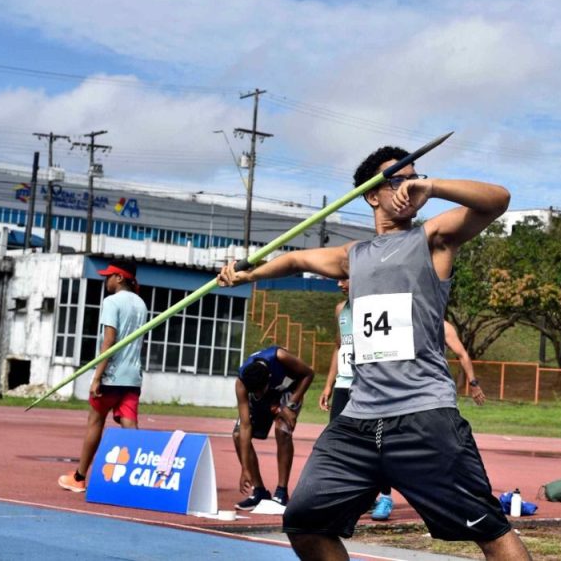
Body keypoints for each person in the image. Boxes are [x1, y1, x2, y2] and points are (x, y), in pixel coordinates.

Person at [219, 145, 530, 561]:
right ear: (371, 195)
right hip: (358, 422)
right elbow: (294, 260)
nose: (410, 185)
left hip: (423, 415)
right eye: (399, 179)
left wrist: (433, 187)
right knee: (304, 522)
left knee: (489, 529)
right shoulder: (353, 257)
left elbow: (498, 200)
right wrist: (247, 274)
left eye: (416, 177)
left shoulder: (432, 238)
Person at [319, 281, 486, 522]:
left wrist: (473, 383)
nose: (339, 283)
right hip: (350, 384)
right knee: (343, 443)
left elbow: (461, 354)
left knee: (420, 446)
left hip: (412, 392)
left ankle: (446, 496)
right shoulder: (343, 310)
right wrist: (329, 384)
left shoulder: (434, 323)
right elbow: (340, 346)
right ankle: (358, 495)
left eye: (344, 278)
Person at [58, 259, 147, 493]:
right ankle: (139, 477)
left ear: (120, 278)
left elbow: (109, 341)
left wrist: (97, 376)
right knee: (130, 424)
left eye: (109, 276)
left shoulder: (112, 302)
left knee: (95, 422)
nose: (106, 280)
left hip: (111, 376)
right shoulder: (141, 304)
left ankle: (79, 477)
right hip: (132, 377)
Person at [233, 345, 314, 510]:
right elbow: (246, 426)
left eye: (259, 391)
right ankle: (259, 491)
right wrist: (245, 468)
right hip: (264, 395)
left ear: (269, 377)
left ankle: (281, 492)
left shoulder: (280, 357)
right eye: (254, 392)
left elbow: (309, 374)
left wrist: (290, 405)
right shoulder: (242, 383)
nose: (257, 395)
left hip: (288, 391)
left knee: (282, 430)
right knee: (238, 435)